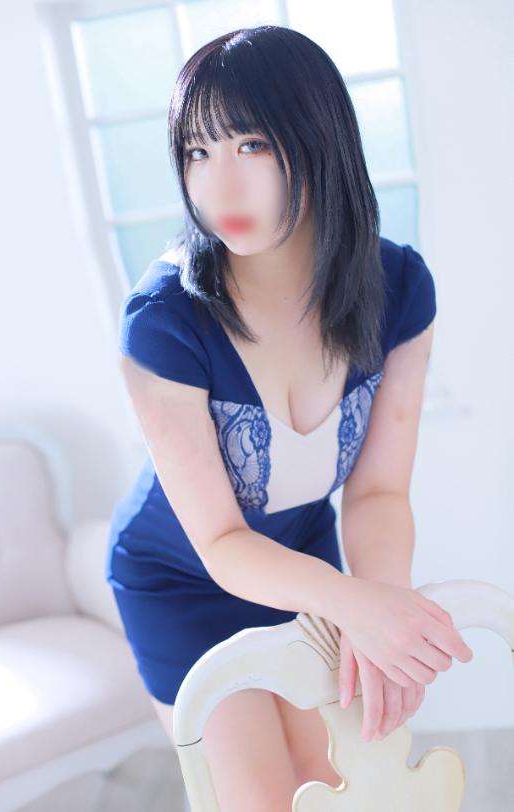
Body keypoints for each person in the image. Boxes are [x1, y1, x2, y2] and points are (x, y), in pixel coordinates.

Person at [105, 24, 473, 810]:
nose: (219, 185)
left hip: (306, 561)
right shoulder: (163, 321)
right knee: (262, 801)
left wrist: (382, 609)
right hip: (182, 578)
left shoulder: (400, 289)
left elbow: (377, 493)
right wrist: (357, 606)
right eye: (198, 152)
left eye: (252, 145)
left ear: (317, 139)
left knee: (346, 786)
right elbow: (219, 541)